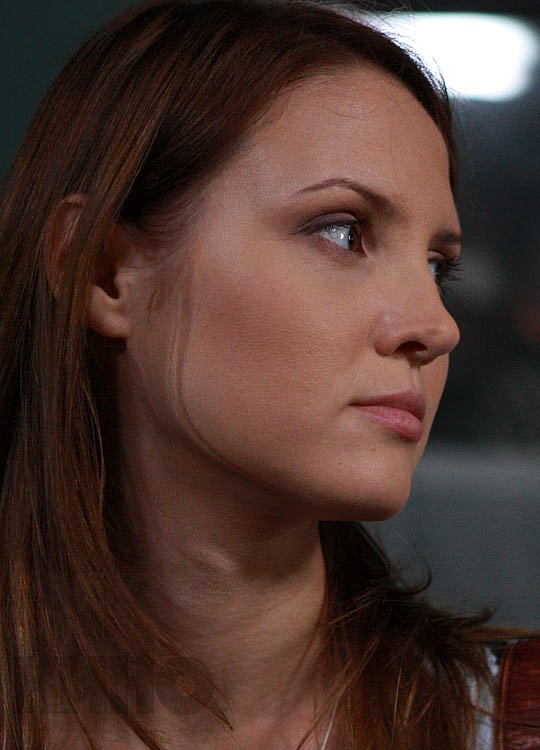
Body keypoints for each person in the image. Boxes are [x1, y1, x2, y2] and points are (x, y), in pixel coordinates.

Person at [0, 1, 523, 748]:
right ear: (106, 274)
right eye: (343, 232)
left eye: (438, 267)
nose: (437, 328)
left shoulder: (511, 722)